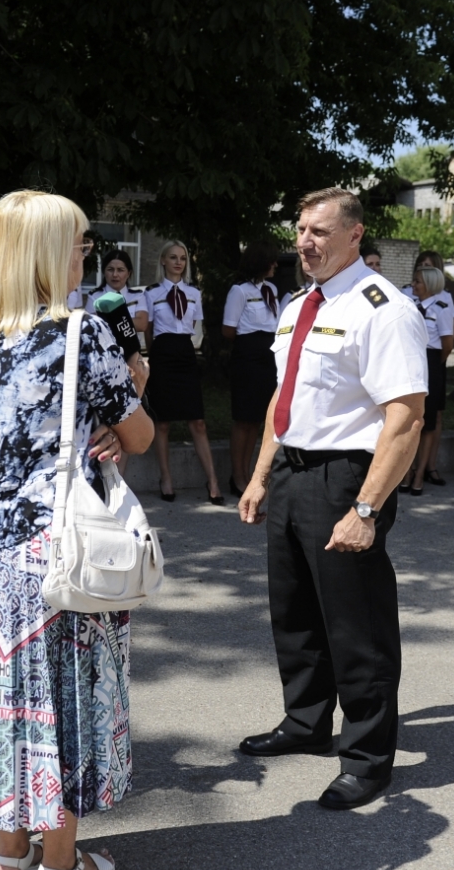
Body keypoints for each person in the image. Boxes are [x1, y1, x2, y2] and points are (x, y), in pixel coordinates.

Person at [0, 189, 153, 870]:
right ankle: (61, 869)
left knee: (3, 700)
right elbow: (142, 432)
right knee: (59, 701)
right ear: (47, 253)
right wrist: (132, 393)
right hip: (53, 550)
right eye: (78, 244)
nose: (85, 255)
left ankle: (9, 857)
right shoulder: (83, 333)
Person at [237, 187, 426, 812]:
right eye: (300, 230)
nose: (304, 242)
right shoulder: (298, 306)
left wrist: (367, 509)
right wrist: (262, 476)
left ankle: (369, 758)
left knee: (356, 622)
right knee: (294, 613)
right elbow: (281, 401)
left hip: (347, 477)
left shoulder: (384, 309)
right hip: (293, 472)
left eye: (318, 231)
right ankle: (307, 721)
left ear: (354, 235)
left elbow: (404, 418)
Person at [144, 240, 223, 504]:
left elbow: (195, 327)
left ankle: (212, 479)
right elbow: (149, 330)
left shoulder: (193, 293)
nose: (179, 262)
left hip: (185, 352)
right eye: (173, 257)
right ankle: (166, 479)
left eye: (183, 258)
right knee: (163, 422)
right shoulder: (152, 293)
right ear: (163, 261)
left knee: (197, 421)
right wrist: (154, 358)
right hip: (162, 354)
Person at [222, 242, 281, 495]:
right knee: (243, 419)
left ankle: (248, 473)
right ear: (260, 262)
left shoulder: (273, 289)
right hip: (247, 357)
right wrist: (251, 343)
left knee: (257, 419)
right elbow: (228, 329)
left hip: (269, 358)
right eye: (272, 260)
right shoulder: (239, 291)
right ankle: (237, 475)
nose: (276, 265)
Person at [404, 264, 454, 495]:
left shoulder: (442, 308)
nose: (413, 285)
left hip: (431, 362)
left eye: (418, 282)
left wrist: (433, 365)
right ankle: (405, 472)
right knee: (406, 421)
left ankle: (420, 474)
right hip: (408, 362)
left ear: (430, 285)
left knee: (427, 424)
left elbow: (447, 344)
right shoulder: (408, 305)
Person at [67, 248, 148, 334]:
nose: (115, 274)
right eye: (110, 269)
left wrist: (106, 319)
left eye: (120, 270)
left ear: (128, 273)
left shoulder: (137, 296)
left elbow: (142, 324)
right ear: (104, 272)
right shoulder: (95, 296)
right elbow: (91, 325)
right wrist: (126, 322)